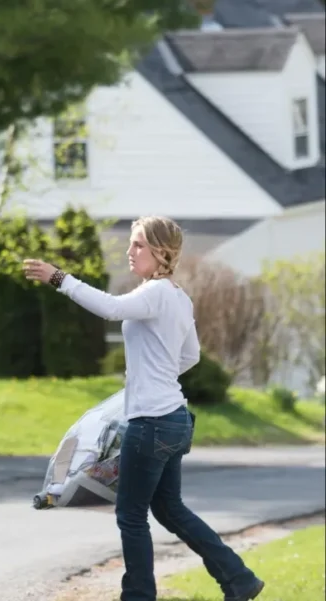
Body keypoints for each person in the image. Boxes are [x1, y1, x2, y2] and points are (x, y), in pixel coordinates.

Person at [22, 216, 265, 601]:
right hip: (173, 419)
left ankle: (138, 596)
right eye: (131, 244)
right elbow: (191, 355)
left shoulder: (154, 293)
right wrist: (156, 376)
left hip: (151, 423)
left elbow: (110, 308)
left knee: (131, 516)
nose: (129, 252)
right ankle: (238, 579)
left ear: (161, 252)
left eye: (138, 245)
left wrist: (59, 278)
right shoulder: (179, 297)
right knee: (170, 509)